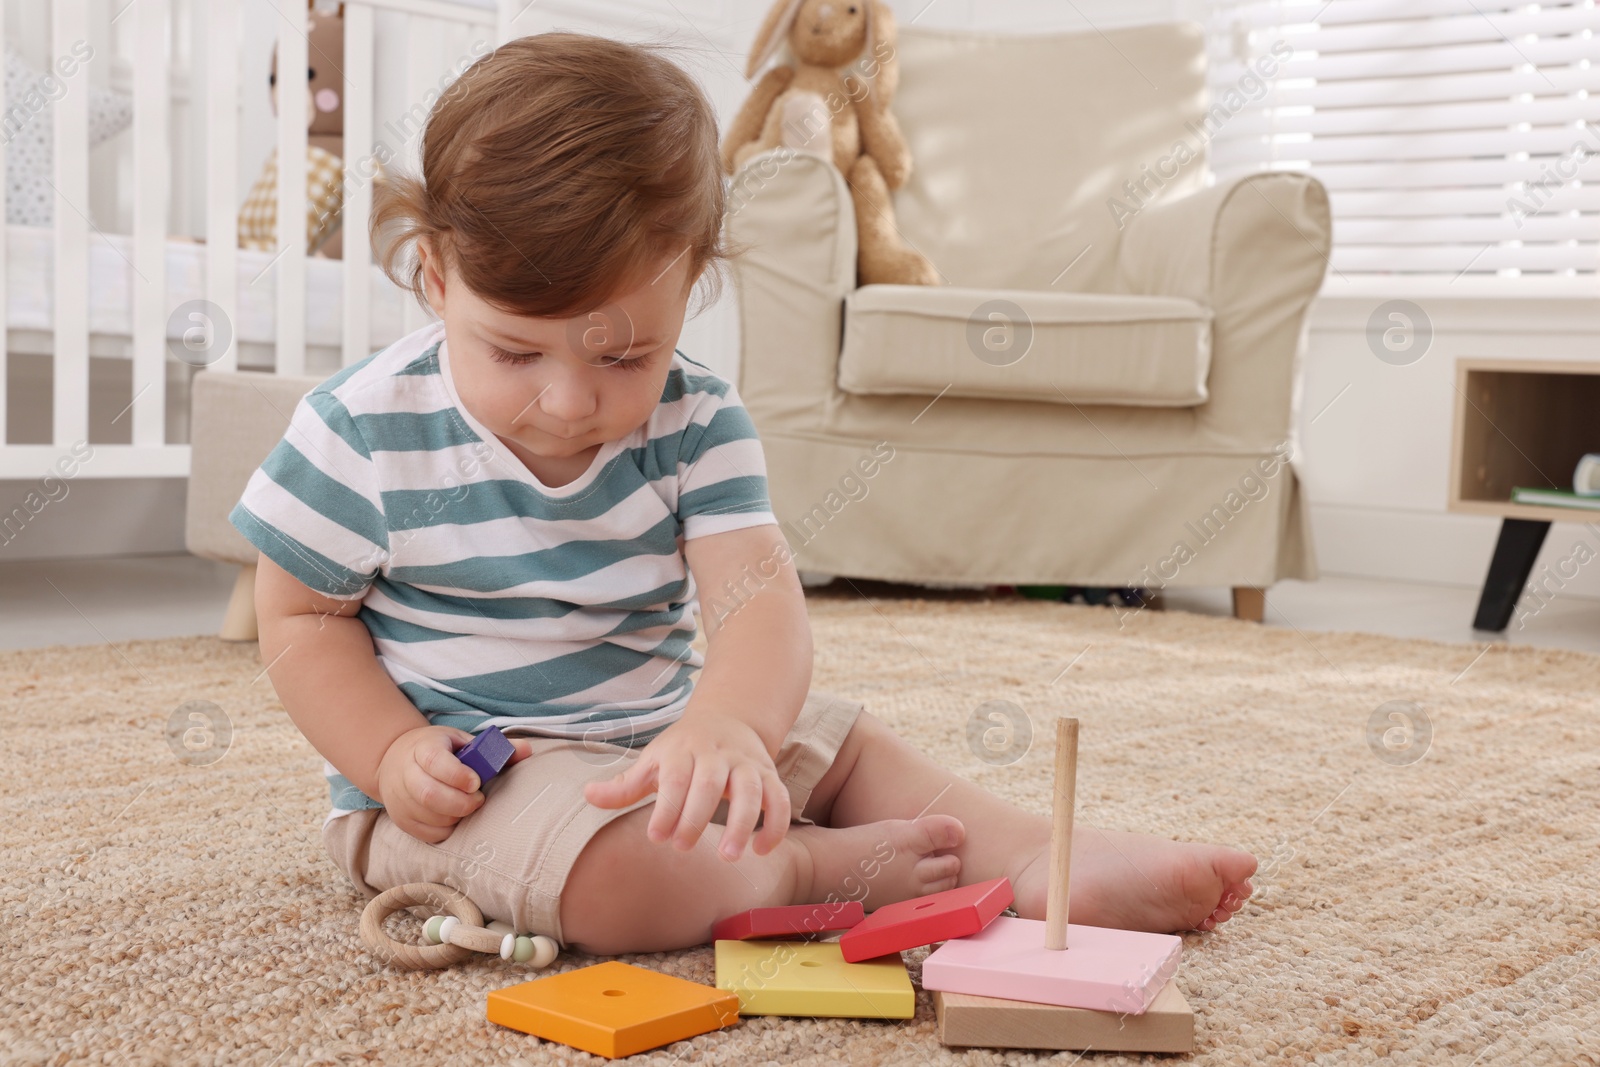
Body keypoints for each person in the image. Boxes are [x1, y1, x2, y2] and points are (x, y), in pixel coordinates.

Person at [233, 32, 1256, 957]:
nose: (568, 401)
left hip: (666, 735)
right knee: (624, 885)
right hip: (463, 786)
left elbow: (757, 603)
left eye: (625, 355)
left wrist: (728, 722)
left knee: (837, 738)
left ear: (692, 289)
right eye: (514, 351)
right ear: (434, 277)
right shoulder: (361, 430)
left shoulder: (697, 421)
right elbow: (301, 616)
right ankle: (815, 869)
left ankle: (1034, 854)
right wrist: (389, 748)